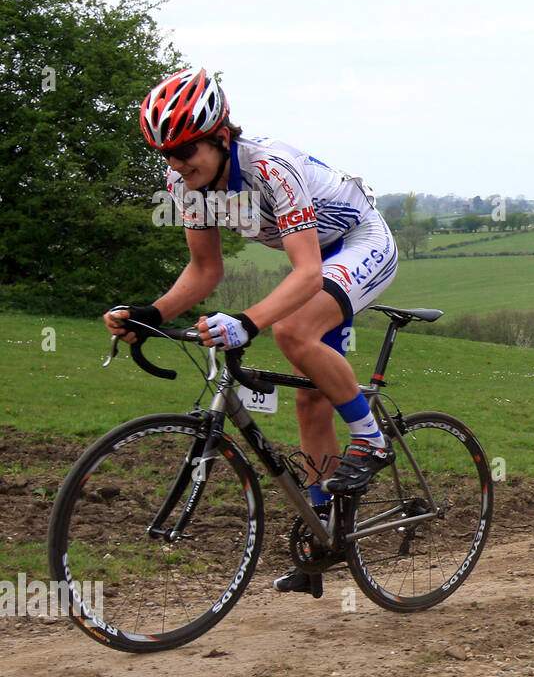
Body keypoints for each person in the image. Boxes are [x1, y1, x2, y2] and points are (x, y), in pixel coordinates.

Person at [111, 68, 398, 597]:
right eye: (165, 155)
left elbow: (307, 271)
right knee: (309, 403)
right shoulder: (188, 185)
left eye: (184, 151)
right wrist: (151, 313)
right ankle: (324, 536)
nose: (175, 165)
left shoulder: (269, 166)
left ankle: (372, 440)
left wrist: (247, 322)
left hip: (358, 242)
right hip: (318, 259)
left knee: (290, 331)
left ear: (221, 137)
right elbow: (205, 270)